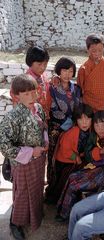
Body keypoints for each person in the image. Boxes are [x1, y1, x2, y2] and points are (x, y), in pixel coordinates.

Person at [56, 119, 104, 222]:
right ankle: (64, 209)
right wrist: (90, 166)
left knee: (74, 185)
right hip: (101, 172)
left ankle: (65, 214)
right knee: (72, 177)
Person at [0, 74, 48, 240]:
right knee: (22, 193)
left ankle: (33, 217)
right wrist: (30, 152)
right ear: (16, 95)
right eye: (26, 94)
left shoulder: (39, 108)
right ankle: (16, 223)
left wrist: (46, 141)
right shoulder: (12, 118)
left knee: (36, 189)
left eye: (34, 92)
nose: (32, 97)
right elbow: (4, 145)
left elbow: (44, 128)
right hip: (22, 164)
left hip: (39, 161)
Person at [45, 57, 82, 204]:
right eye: (64, 70)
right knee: (54, 160)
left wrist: (74, 123)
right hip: (56, 130)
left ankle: (63, 191)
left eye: (71, 71)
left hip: (73, 130)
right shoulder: (52, 88)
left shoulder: (77, 89)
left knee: (69, 159)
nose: (68, 74)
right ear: (58, 71)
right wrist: (67, 123)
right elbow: (53, 108)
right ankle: (51, 190)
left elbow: (79, 108)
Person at [48, 103, 93, 205]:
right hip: (65, 161)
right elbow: (65, 149)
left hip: (75, 160)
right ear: (76, 120)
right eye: (81, 119)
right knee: (62, 182)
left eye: (87, 119)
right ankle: (57, 200)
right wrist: (75, 157)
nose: (84, 123)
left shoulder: (90, 132)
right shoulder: (72, 132)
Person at [77, 33, 104, 112]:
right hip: (88, 104)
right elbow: (79, 89)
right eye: (94, 51)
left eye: (100, 50)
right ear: (88, 50)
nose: (97, 54)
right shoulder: (84, 68)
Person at [10, 45, 51, 119]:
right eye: (39, 64)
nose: (43, 67)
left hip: (44, 119)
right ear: (30, 62)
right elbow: (16, 106)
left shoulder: (44, 77)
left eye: (45, 64)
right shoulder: (22, 82)